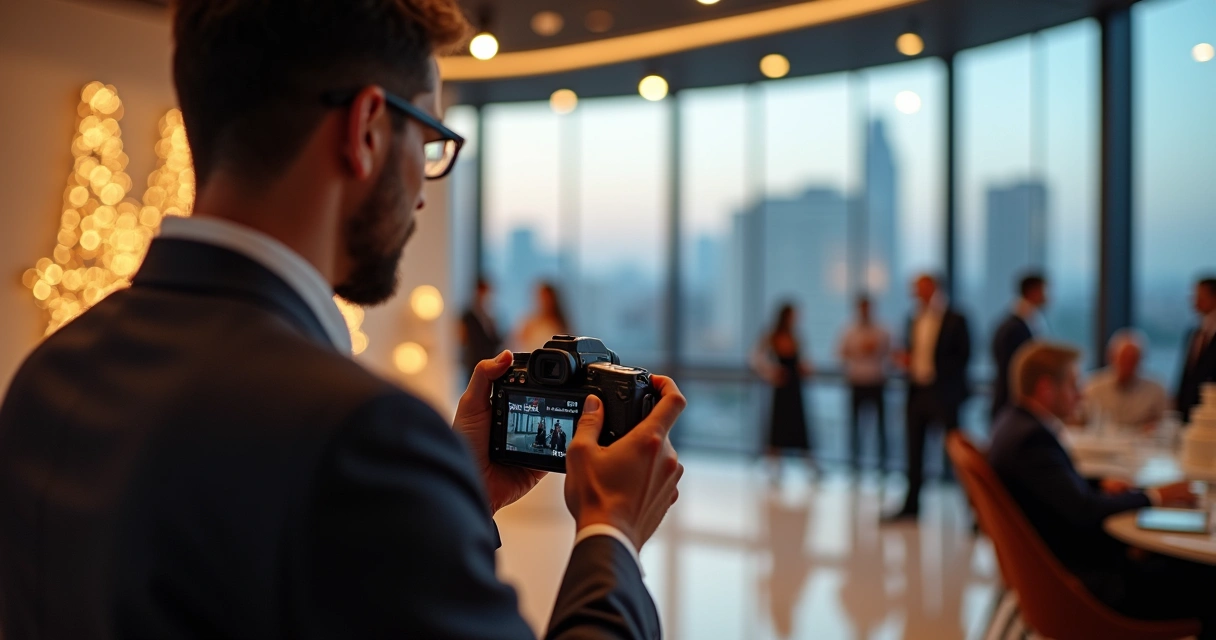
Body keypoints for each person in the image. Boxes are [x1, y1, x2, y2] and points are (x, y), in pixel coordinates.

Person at [0, 2, 688, 637]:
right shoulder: (359, 435)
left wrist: (451, 505)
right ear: (365, 130)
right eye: (427, 142)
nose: (423, 190)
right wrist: (612, 533)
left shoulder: (50, 374)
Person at [988, 341, 1214, 635]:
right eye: (1072, 384)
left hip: (1061, 571)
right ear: (1046, 389)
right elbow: (1084, 511)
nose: (1080, 394)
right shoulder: (1031, 439)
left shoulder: (1014, 425)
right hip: (1091, 584)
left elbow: (1054, 487)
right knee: (1207, 583)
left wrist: (1097, 483)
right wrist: (1155, 495)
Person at [886, 274, 971, 521]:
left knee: (956, 453)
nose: (916, 293)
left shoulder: (956, 319)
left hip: (943, 393)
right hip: (917, 392)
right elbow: (914, 353)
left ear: (934, 289)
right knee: (914, 451)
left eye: (920, 288)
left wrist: (936, 371)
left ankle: (974, 511)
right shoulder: (912, 318)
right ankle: (911, 505)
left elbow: (963, 357)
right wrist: (908, 362)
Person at [752, 303, 816, 481]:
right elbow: (756, 357)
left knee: (800, 427)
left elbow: (803, 360)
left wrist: (805, 369)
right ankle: (774, 467)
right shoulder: (772, 336)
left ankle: (809, 466)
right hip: (781, 388)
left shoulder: (796, 336)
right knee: (778, 427)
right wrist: (771, 373)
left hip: (795, 388)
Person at [837, 295, 891, 472]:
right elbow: (840, 352)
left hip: (876, 382)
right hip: (857, 382)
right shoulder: (848, 330)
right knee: (855, 427)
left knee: (881, 427)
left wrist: (876, 349)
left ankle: (883, 464)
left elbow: (892, 352)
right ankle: (854, 463)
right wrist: (859, 350)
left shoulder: (882, 329)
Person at [990, 273, 1049, 420]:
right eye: (1044, 291)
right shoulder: (1014, 328)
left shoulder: (1025, 321)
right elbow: (1011, 370)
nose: (1047, 297)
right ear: (1033, 292)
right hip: (1011, 404)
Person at [1084, 329, 1169, 429]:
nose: (1128, 366)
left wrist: (1155, 426)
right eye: (1123, 359)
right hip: (1101, 442)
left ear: (1142, 360)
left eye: (1133, 360)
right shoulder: (1093, 386)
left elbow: (1165, 422)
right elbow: (1081, 419)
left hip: (1141, 442)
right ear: (1111, 357)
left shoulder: (1156, 390)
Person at [1176, 277, 1216, 423]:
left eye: (1199, 295)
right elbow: (1187, 374)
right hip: (1189, 413)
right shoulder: (1194, 333)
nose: (1194, 300)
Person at [459, 276, 503, 381]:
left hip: (490, 361)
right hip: (474, 362)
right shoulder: (468, 315)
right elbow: (463, 339)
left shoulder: (489, 316)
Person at [513, 281, 571, 352]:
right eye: (541, 298)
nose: (543, 302)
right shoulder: (528, 322)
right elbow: (517, 345)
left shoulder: (558, 324)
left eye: (546, 298)